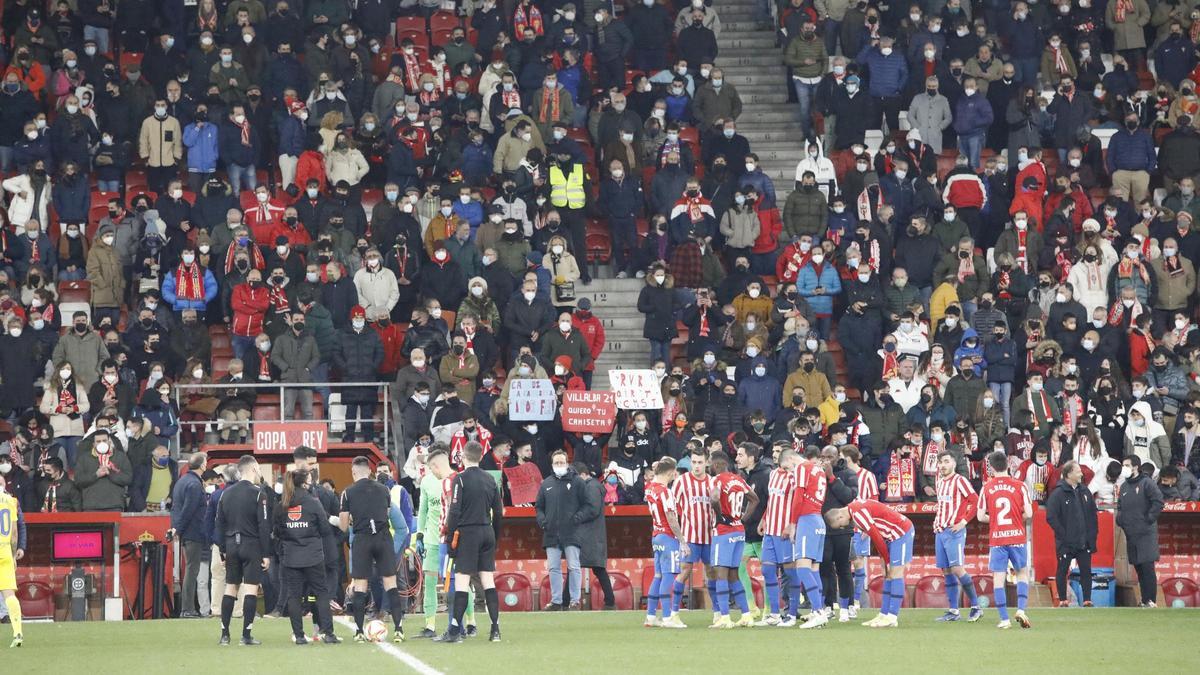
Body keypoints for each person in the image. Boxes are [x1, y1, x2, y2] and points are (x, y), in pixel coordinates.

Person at [435, 441, 504, 643]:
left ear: (464, 457)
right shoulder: (491, 479)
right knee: (487, 580)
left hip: (468, 533)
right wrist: (495, 536)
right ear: (481, 457)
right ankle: (495, 629)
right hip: (487, 531)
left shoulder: (460, 479)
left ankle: (455, 630)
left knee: (463, 581)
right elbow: (498, 512)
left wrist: (449, 538)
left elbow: (454, 511)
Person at [339, 456, 407, 642]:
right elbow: (386, 513)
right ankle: (399, 629)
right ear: (370, 471)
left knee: (360, 587)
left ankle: (360, 632)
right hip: (383, 538)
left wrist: (353, 519)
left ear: (353, 472)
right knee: (390, 584)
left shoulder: (348, 492)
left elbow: (344, 526)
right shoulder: (384, 489)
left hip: (362, 539)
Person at [825, 497, 915, 628]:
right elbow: (878, 536)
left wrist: (887, 559)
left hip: (901, 532)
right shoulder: (854, 509)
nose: (844, 526)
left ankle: (892, 616)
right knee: (887, 574)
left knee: (896, 573)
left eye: (841, 525)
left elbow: (876, 536)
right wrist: (883, 558)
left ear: (839, 517)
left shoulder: (857, 514)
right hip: (889, 537)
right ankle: (884, 614)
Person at [274, 468, 337, 645]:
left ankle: (299, 636)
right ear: (304, 483)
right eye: (309, 480)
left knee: (294, 596)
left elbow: (277, 531)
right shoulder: (313, 502)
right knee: (321, 594)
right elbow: (324, 529)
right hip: (313, 556)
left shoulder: (282, 505)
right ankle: (328, 633)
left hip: (291, 557)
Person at [214, 455, 271, 646]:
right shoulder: (258, 493)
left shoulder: (226, 493)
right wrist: (266, 553)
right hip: (251, 545)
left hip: (231, 545)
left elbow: (219, 524)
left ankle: (224, 634)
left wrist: (222, 549)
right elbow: (264, 526)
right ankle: (246, 635)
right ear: (253, 469)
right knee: (251, 589)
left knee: (230, 588)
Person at [977, 450, 1033, 629]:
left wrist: (994, 519)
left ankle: (1004, 619)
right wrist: (1017, 518)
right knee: (1022, 573)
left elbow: (980, 516)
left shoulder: (986, 487)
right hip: (1017, 536)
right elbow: (1030, 513)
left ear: (991, 468)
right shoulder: (1020, 486)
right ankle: (1022, 610)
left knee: (998, 579)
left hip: (997, 539)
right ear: (1008, 465)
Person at [707, 450, 758, 629]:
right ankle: (746, 615)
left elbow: (714, 499)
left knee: (720, 573)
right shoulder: (738, 479)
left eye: (709, 463)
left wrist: (721, 518)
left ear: (716, 464)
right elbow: (755, 499)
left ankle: (724, 617)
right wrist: (742, 519)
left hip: (724, 531)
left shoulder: (716, 480)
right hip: (739, 531)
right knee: (734, 574)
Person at [931, 451, 983, 622]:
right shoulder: (939, 482)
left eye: (946, 461)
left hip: (954, 531)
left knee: (957, 569)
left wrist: (963, 522)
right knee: (946, 571)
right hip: (940, 530)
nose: (943, 465)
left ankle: (976, 607)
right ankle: (953, 611)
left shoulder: (960, 480)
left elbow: (975, 501)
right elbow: (942, 505)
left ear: (953, 463)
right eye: (940, 462)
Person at [535, 450, 586, 610]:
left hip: (572, 532)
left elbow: (587, 505)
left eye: (561, 463)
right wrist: (542, 521)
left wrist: (576, 519)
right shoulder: (546, 483)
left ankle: (575, 601)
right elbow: (539, 507)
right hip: (551, 532)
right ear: (552, 464)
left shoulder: (577, 482)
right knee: (553, 567)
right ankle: (556, 601)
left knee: (574, 566)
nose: (559, 465)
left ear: (567, 463)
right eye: (556, 463)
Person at [784, 446, 828, 629]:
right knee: (814, 569)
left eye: (787, 468)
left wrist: (793, 524)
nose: (789, 472)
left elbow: (798, 497)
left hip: (807, 520)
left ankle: (818, 611)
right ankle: (821, 610)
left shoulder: (802, 468)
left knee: (802, 568)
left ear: (791, 459)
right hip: (818, 519)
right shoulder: (819, 470)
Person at [1045, 460, 1098, 608]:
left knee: (1086, 570)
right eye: (1078, 471)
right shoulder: (1058, 493)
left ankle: (1087, 600)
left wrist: (1092, 537)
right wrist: (1063, 534)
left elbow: (1093, 515)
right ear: (1069, 474)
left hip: (1084, 540)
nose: (1081, 473)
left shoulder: (1085, 491)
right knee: (1062, 569)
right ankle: (1063, 600)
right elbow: (1051, 517)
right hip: (1066, 542)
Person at [643, 457, 688, 628]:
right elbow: (671, 517)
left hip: (656, 536)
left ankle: (651, 616)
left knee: (658, 576)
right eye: (673, 474)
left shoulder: (650, 489)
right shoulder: (665, 492)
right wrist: (682, 541)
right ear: (670, 473)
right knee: (668, 576)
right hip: (668, 537)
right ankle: (668, 618)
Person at [671, 447, 716, 617]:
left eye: (700, 462)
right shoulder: (681, 482)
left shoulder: (713, 482)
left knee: (712, 573)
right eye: (694, 462)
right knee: (684, 571)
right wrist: (679, 537)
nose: (696, 466)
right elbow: (672, 508)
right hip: (690, 536)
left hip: (710, 537)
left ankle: (717, 613)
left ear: (707, 462)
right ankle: (674, 613)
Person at [757, 447, 798, 626]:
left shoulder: (795, 477)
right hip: (770, 530)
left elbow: (798, 502)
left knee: (790, 572)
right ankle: (774, 613)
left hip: (785, 531)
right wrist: (764, 518)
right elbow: (772, 500)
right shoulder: (773, 474)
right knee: (767, 570)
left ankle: (792, 613)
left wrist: (792, 524)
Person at [1116, 456, 1164, 607]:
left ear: (1136, 467)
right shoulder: (1124, 486)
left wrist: (1148, 519)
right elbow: (1120, 507)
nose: (1124, 468)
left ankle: (1151, 600)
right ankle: (1144, 600)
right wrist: (1121, 520)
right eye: (1123, 465)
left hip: (1145, 533)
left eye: (1127, 465)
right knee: (1138, 567)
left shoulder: (1146, 483)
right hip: (1131, 533)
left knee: (1147, 566)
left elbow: (1158, 501)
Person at [169, 452, 209, 619]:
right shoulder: (194, 484)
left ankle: (188, 608)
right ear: (202, 466)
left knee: (191, 569)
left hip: (187, 532)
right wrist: (177, 529)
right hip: (193, 532)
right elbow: (188, 510)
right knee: (192, 570)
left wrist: (175, 528)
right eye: (205, 462)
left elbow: (175, 508)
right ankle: (187, 609)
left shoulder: (181, 481)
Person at [842, 445, 877, 614]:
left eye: (843, 457)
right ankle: (844, 602)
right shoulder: (841, 475)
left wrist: (869, 525)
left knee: (858, 563)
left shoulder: (868, 476)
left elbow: (874, 501)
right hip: (845, 526)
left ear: (849, 458)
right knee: (841, 565)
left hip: (861, 526)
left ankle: (856, 600)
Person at [574, 463, 613, 610]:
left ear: (583, 474)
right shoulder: (592, 486)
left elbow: (592, 509)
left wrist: (575, 517)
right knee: (594, 569)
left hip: (589, 535)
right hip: (591, 535)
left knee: (576, 568)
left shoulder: (592, 487)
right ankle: (610, 601)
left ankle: (610, 601)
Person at [0, 473, 26, 648]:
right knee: (9, 594)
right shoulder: (11, 501)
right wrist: (13, 552)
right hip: (4, 551)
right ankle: (17, 633)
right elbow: (15, 532)